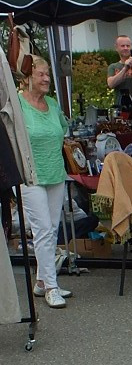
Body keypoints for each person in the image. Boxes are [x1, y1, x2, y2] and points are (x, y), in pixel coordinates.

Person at [17, 56, 72, 307]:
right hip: (31, 175)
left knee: (51, 228)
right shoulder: (17, 104)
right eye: (41, 74)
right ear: (27, 78)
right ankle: (51, 286)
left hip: (55, 173)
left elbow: (64, 130)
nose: (47, 78)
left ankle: (41, 281)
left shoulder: (52, 104)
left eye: (48, 74)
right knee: (42, 231)